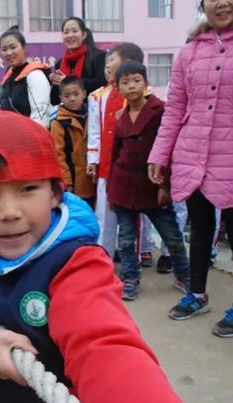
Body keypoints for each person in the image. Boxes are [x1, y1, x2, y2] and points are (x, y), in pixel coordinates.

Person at [0, 111, 181, 403]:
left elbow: (107, 350)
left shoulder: (76, 261)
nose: (10, 213)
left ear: (55, 194)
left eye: (27, 189)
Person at [148, 0, 233, 339]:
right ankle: (197, 294)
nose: (222, 3)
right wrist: (160, 154)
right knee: (200, 230)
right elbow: (175, 108)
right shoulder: (190, 50)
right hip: (192, 153)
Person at [106, 61, 190, 301]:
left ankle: (183, 274)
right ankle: (131, 277)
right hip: (123, 187)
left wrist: (165, 185)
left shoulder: (160, 110)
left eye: (136, 81)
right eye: (125, 82)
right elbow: (114, 155)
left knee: (171, 236)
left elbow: (170, 149)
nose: (131, 86)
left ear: (146, 83)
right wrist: (111, 191)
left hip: (153, 186)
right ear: (118, 88)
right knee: (126, 240)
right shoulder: (121, 116)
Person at [87, 42, 144, 258]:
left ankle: (136, 258)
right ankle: (104, 257)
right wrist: (93, 159)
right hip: (106, 165)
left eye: (111, 60)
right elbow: (94, 130)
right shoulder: (97, 96)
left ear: (127, 63)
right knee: (104, 214)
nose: (107, 65)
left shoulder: (144, 96)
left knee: (134, 216)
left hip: (134, 166)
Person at [50, 76, 94, 207]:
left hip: (94, 180)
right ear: (60, 98)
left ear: (84, 94)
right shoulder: (58, 122)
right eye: (67, 95)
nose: (72, 99)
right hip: (73, 184)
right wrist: (66, 182)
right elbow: (58, 155)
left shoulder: (93, 114)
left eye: (76, 94)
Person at [0, 26, 51, 127]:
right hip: (10, 133)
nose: (9, 53)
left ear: (24, 48)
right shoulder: (8, 78)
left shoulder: (35, 75)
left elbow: (41, 117)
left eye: (13, 47)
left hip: (30, 134)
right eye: (4, 49)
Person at [50, 17, 106, 105]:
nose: (70, 35)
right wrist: (55, 83)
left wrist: (68, 81)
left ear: (84, 35)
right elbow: (55, 100)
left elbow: (101, 84)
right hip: (68, 111)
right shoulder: (60, 63)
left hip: (94, 109)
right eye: (66, 32)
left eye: (74, 31)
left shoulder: (99, 57)